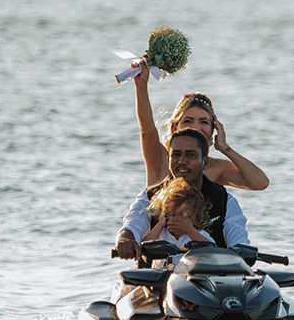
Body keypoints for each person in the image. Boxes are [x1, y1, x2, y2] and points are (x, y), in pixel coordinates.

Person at [131, 61, 270, 191]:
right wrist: (140, 86)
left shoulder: (217, 168)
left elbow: (260, 183)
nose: (195, 127)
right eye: (188, 121)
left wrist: (225, 148)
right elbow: (146, 130)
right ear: (175, 128)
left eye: (203, 122)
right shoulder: (160, 159)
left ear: (213, 130)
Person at [115, 129, 248, 260]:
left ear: (205, 162)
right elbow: (132, 224)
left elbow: (239, 242)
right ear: (168, 161)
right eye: (177, 154)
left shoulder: (225, 201)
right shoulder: (149, 197)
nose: (182, 161)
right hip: (157, 278)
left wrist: (243, 252)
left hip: (208, 276)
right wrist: (125, 239)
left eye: (191, 155)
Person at [145, 177, 213, 255]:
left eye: (184, 216)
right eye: (173, 215)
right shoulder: (160, 234)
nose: (178, 220)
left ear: (195, 218)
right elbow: (143, 247)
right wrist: (160, 224)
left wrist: (189, 230)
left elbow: (212, 251)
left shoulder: (200, 235)